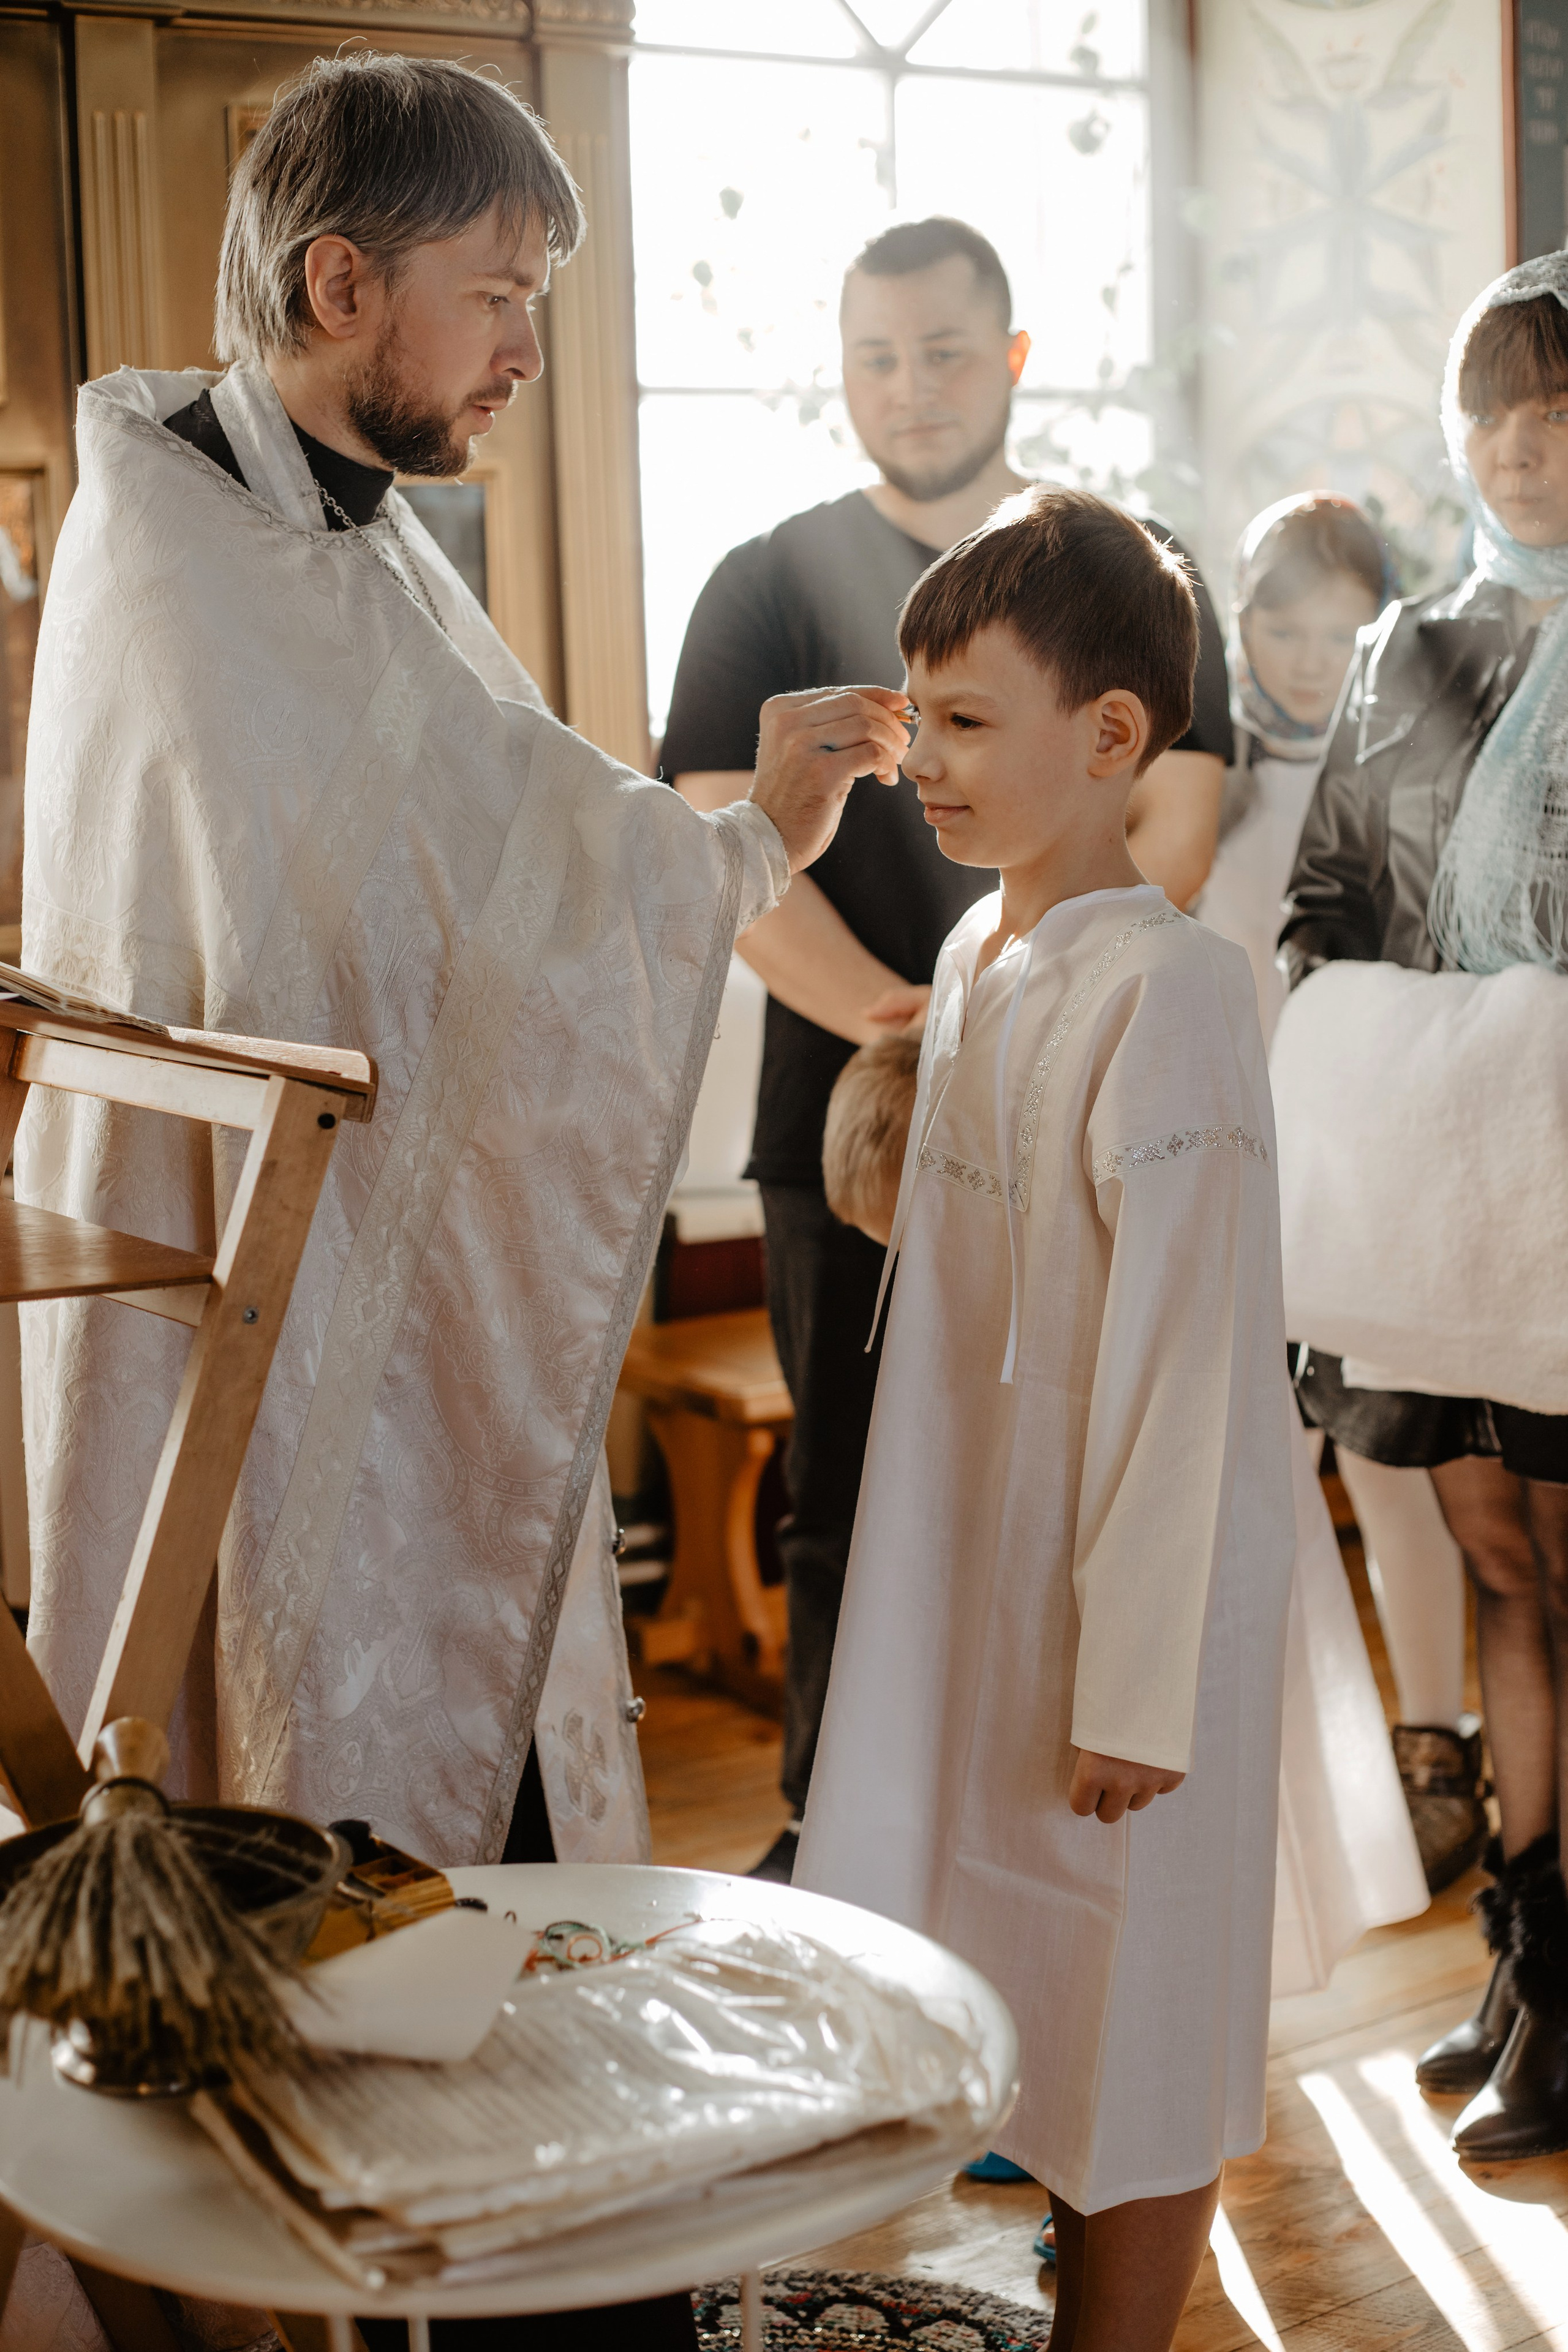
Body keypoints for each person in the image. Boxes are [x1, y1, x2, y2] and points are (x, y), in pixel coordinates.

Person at [18, 56, 910, 2349]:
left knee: (475, 1831)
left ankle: (505, 2252)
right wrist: (734, 848)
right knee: (306, 1814)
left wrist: (724, 838)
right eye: (497, 295)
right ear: (342, 284)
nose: (527, 345)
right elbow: (436, 923)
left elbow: (494, 855)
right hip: (244, 1308)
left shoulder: (347, 534)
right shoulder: (192, 544)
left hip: (389, 1298)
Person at [662, 216, 1234, 1881]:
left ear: (1014, 360)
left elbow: (1178, 814)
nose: (907, 388)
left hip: (1075, 1079)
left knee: (1047, 1473)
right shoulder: (762, 578)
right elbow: (719, 842)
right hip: (853, 1119)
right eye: (873, 356)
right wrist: (914, 1034)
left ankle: (1017, 1845)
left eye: (942, 351)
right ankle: (832, 1831)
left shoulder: (1117, 565)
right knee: (856, 1486)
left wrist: (1027, 1007)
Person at [796, 487, 1296, 2352]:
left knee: (1136, 2005)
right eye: (917, 717)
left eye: (969, 720)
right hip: (978, 1545)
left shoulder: (1176, 986)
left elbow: (1187, 1362)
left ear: (1110, 738)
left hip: (1120, 1594)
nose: (924, 760)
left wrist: (1137, 1680)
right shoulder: (971, 962)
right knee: (1005, 1956)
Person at [1278, 252, 1568, 2160]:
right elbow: (1323, 902)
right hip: (1439, 1191)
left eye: (1561, 409)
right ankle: (1531, 1958)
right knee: (1495, 1566)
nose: (1526, 452)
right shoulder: (1416, 651)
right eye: (1494, 415)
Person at [1200, 495, 1484, 1893]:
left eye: (1339, 626)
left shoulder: (1414, 778)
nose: (1308, 656)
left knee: (1392, 1475)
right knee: (1245, 1483)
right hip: (1225, 1180)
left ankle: (1434, 1752)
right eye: (1278, 624)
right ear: (1234, 622)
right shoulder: (1207, 781)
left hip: (1364, 1179)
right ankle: (1255, 1780)